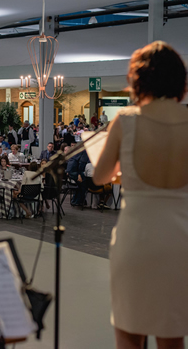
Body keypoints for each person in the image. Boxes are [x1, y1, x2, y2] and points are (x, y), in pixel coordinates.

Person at [93, 41, 188, 349]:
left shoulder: (128, 120)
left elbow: (100, 177)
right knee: (172, 337)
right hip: (180, 242)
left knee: (130, 338)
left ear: (138, 80)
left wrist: (127, 173)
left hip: (138, 242)